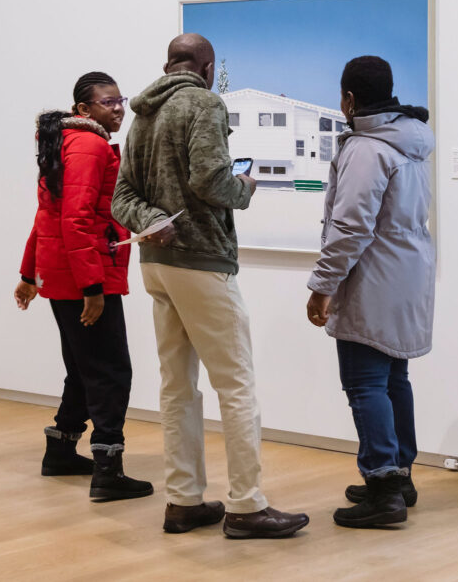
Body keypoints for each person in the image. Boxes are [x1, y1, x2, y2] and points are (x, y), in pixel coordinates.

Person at [112, 34, 309, 538]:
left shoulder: (141, 114)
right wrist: (243, 188)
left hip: (156, 263)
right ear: (207, 67)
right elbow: (210, 180)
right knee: (236, 384)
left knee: (178, 385)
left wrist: (152, 217)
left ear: (167, 65)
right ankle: (246, 506)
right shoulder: (204, 102)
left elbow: (122, 197)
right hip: (200, 260)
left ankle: (183, 500)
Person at [306, 55, 435, 528]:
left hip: (372, 277)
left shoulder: (366, 148)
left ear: (350, 99)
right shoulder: (410, 142)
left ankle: (382, 489)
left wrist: (322, 285)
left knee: (364, 383)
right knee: (393, 379)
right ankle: (399, 476)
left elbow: (349, 227)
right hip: (406, 275)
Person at [15, 71, 153, 502]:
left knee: (83, 367)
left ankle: (60, 451)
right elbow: (74, 220)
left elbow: (47, 217)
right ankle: (108, 469)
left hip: (63, 275)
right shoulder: (90, 146)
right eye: (107, 102)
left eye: (120, 100)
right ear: (83, 110)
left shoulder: (63, 144)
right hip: (87, 277)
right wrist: (93, 286)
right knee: (112, 371)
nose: (118, 109)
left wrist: (28, 276)